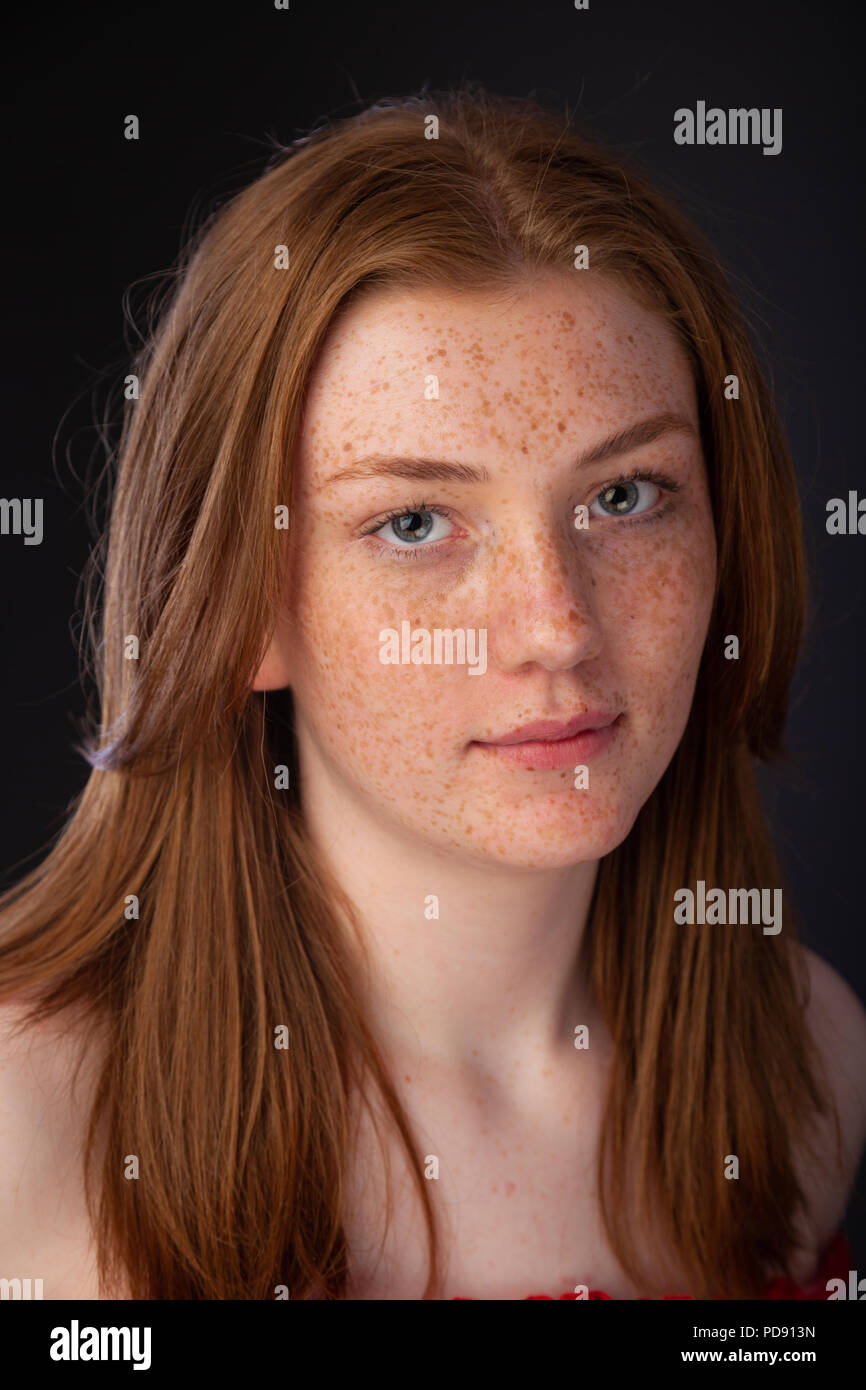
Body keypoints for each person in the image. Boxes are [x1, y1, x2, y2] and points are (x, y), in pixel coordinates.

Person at [1, 86, 864, 1302]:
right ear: (237, 602)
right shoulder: (25, 1123)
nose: (557, 628)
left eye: (624, 497)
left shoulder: (803, 1059)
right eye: (414, 522)